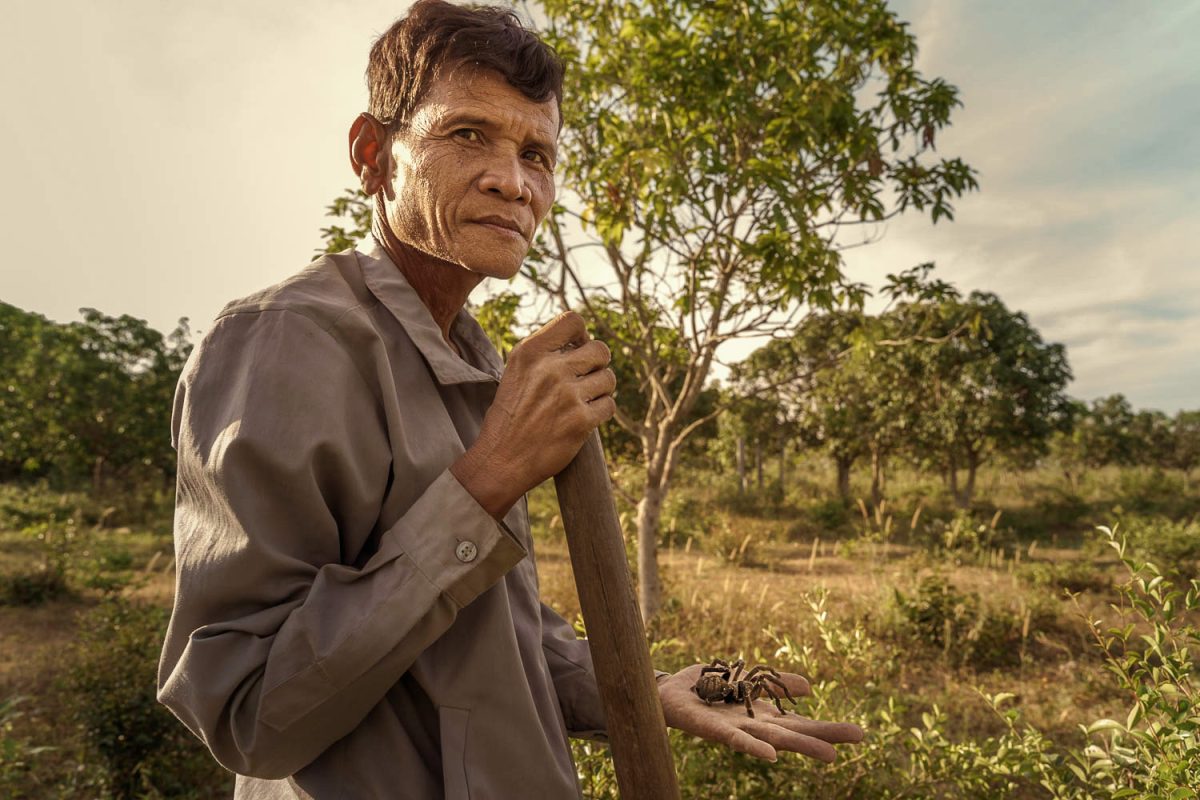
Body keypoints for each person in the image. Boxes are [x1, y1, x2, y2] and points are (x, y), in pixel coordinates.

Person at [157, 2, 863, 797]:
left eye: (538, 152)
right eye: (467, 135)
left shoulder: (476, 357)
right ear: (372, 153)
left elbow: (481, 632)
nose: (513, 181)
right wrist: (487, 478)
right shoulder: (287, 341)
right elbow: (250, 714)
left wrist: (631, 688)